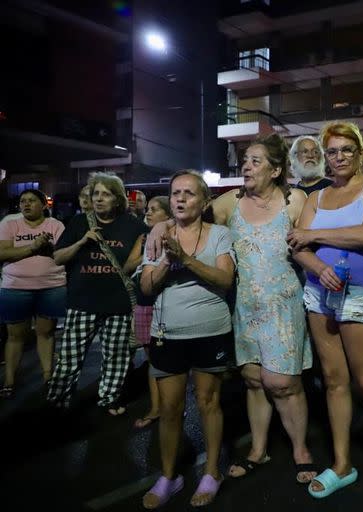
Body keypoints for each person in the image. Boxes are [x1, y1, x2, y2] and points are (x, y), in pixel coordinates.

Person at [146, 135, 316, 484]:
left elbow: (313, 242)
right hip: (243, 306)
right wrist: (161, 224)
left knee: (284, 382)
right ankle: (258, 449)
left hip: (283, 304)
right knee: (254, 380)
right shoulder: (229, 203)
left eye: (255, 161)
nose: (246, 166)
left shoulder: (295, 199)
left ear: (276, 169)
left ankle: (301, 450)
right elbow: (188, 215)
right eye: (246, 161)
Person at [287, 121, 363, 500]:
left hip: (361, 294)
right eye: (332, 152)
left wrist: (315, 235)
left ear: (361, 154)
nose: (338, 158)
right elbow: (296, 245)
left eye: (346, 150)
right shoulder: (316, 198)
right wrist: (319, 267)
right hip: (318, 294)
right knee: (334, 382)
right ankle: (343, 464)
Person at [139, 171, 235, 509]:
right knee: (168, 409)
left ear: (204, 201)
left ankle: (212, 472)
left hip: (211, 330)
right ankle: (169, 476)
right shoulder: (157, 238)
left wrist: (187, 260)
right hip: (168, 333)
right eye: (175, 192)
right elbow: (147, 288)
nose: (180, 199)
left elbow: (225, 278)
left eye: (189, 193)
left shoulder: (220, 235)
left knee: (208, 402)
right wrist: (168, 258)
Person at [47, 173, 145, 415]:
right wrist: (81, 242)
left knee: (116, 356)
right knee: (70, 357)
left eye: (106, 194)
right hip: (82, 302)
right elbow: (57, 258)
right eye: (96, 194)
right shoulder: (80, 223)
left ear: (117, 199)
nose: (100, 199)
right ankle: (58, 398)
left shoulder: (131, 224)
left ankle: (109, 398)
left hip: (118, 302)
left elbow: (146, 250)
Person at [0, 189, 66, 398]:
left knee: (45, 333)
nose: (26, 204)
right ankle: (9, 379)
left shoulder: (56, 225)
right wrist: (33, 247)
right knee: (15, 337)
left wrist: (47, 248)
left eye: (31, 201)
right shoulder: (9, 223)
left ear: (43, 205)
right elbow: (3, 253)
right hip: (16, 288)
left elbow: (62, 253)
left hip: (51, 287)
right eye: (22, 201)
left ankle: (48, 375)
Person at [129, 196, 172, 429]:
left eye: (154, 210)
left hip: (165, 303)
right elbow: (127, 267)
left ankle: (172, 408)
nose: (147, 213)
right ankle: (156, 409)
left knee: (170, 360)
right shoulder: (144, 237)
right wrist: (145, 253)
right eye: (147, 210)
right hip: (145, 304)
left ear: (167, 216)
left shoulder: (175, 236)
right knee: (152, 360)